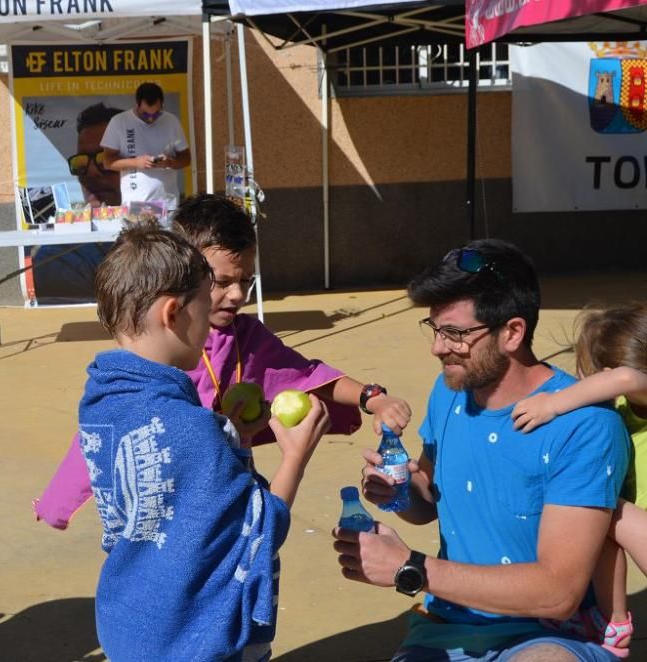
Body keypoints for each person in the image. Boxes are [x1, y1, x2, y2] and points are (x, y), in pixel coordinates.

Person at [34, 194, 413, 529]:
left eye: (246, 281)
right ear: (184, 276)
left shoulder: (245, 336)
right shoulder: (158, 356)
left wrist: (372, 397)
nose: (237, 295)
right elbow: (100, 435)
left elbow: (306, 376)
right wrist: (57, 502)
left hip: (225, 499)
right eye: (220, 282)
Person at [333, 239, 631, 662]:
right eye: (435, 329)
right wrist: (397, 488)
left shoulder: (585, 425)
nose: (438, 347)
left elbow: (558, 593)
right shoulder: (450, 390)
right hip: (445, 627)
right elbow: (426, 502)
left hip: (553, 636)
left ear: (512, 332)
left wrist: (410, 567)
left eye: (455, 333)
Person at [80, 223, 329, 660]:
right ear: (174, 313)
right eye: (206, 299)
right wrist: (295, 456)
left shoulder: (102, 402)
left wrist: (231, 439)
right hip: (195, 638)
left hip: (132, 626)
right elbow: (260, 529)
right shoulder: (191, 429)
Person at [510, 303, 647, 658]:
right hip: (636, 520)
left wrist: (553, 404)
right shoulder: (628, 408)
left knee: (598, 505)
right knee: (601, 515)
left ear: (606, 371)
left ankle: (611, 619)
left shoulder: (636, 384)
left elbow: (627, 378)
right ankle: (610, 621)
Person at [31, 102, 122, 302]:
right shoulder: (58, 258)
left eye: (103, 159)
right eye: (81, 163)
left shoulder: (165, 233)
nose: (90, 173)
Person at [101, 82, 191, 207]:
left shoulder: (171, 121)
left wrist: (169, 162)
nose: (150, 118)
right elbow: (107, 161)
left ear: (162, 106)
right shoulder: (119, 122)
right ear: (137, 104)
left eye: (156, 114)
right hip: (135, 204)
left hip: (167, 203)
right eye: (145, 114)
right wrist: (136, 163)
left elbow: (186, 158)